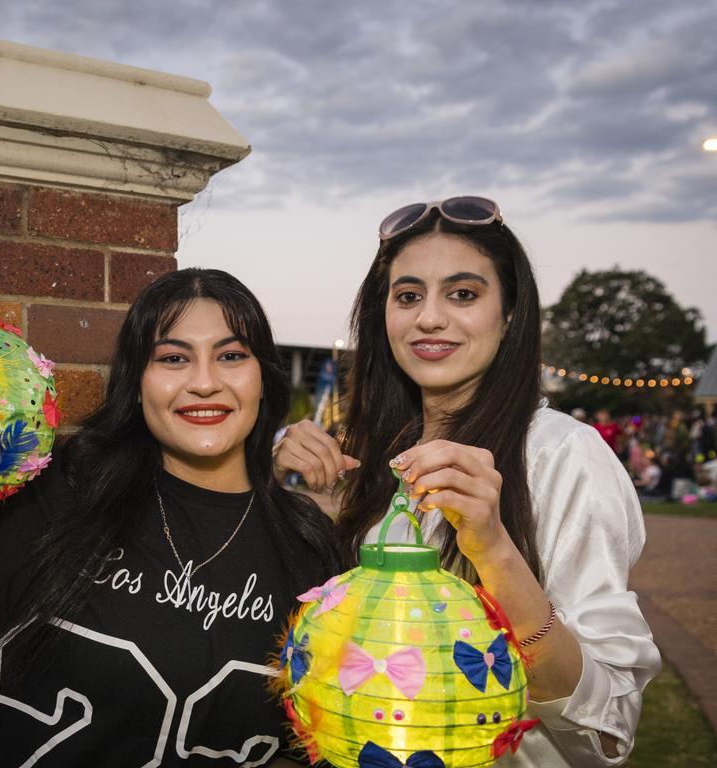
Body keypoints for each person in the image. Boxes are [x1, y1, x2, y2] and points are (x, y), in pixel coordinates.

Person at [0, 213, 340, 766]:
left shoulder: (309, 549)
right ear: (137, 385)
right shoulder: (51, 492)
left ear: (264, 377)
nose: (204, 381)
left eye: (231, 355)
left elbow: (308, 743)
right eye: (172, 358)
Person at [272, 197, 660, 767]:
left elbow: (606, 730)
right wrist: (271, 479)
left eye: (463, 294)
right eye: (408, 296)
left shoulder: (561, 455)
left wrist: (495, 549)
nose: (429, 318)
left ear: (509, 316)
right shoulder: (381, 458)